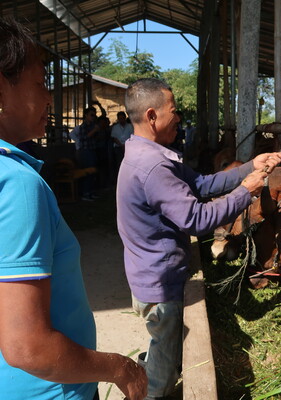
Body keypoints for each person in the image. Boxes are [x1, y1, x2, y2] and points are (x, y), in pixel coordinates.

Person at [0, 17, 147, 400]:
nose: (50, 98)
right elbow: (28, 347)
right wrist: (120, 367)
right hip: (48, 391)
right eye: (41, 83)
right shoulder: (17, 184)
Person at [116, 78, 281, 400]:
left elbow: (201, 184)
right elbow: (196, 219)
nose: (179, 118)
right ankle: (149, 391)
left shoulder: (153, 155)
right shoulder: (152, 166)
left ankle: (147, 373)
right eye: (174, 111)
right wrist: (245, 192)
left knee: (164, 344)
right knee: (163, 372)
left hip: (152, 272)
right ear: (152, 116)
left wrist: (250, 166)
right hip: (160, 282)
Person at [70, 106, 99, 201]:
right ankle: (85, 193)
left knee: (92, 172)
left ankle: (91, 192)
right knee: (86, 171)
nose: (93, 117)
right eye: (91, 115)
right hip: (85, 151)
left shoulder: (93, 125)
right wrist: (94, 131)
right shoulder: (83, 126)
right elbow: (83, 138)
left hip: (92, 150)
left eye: (94, 115)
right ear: (86, 115)